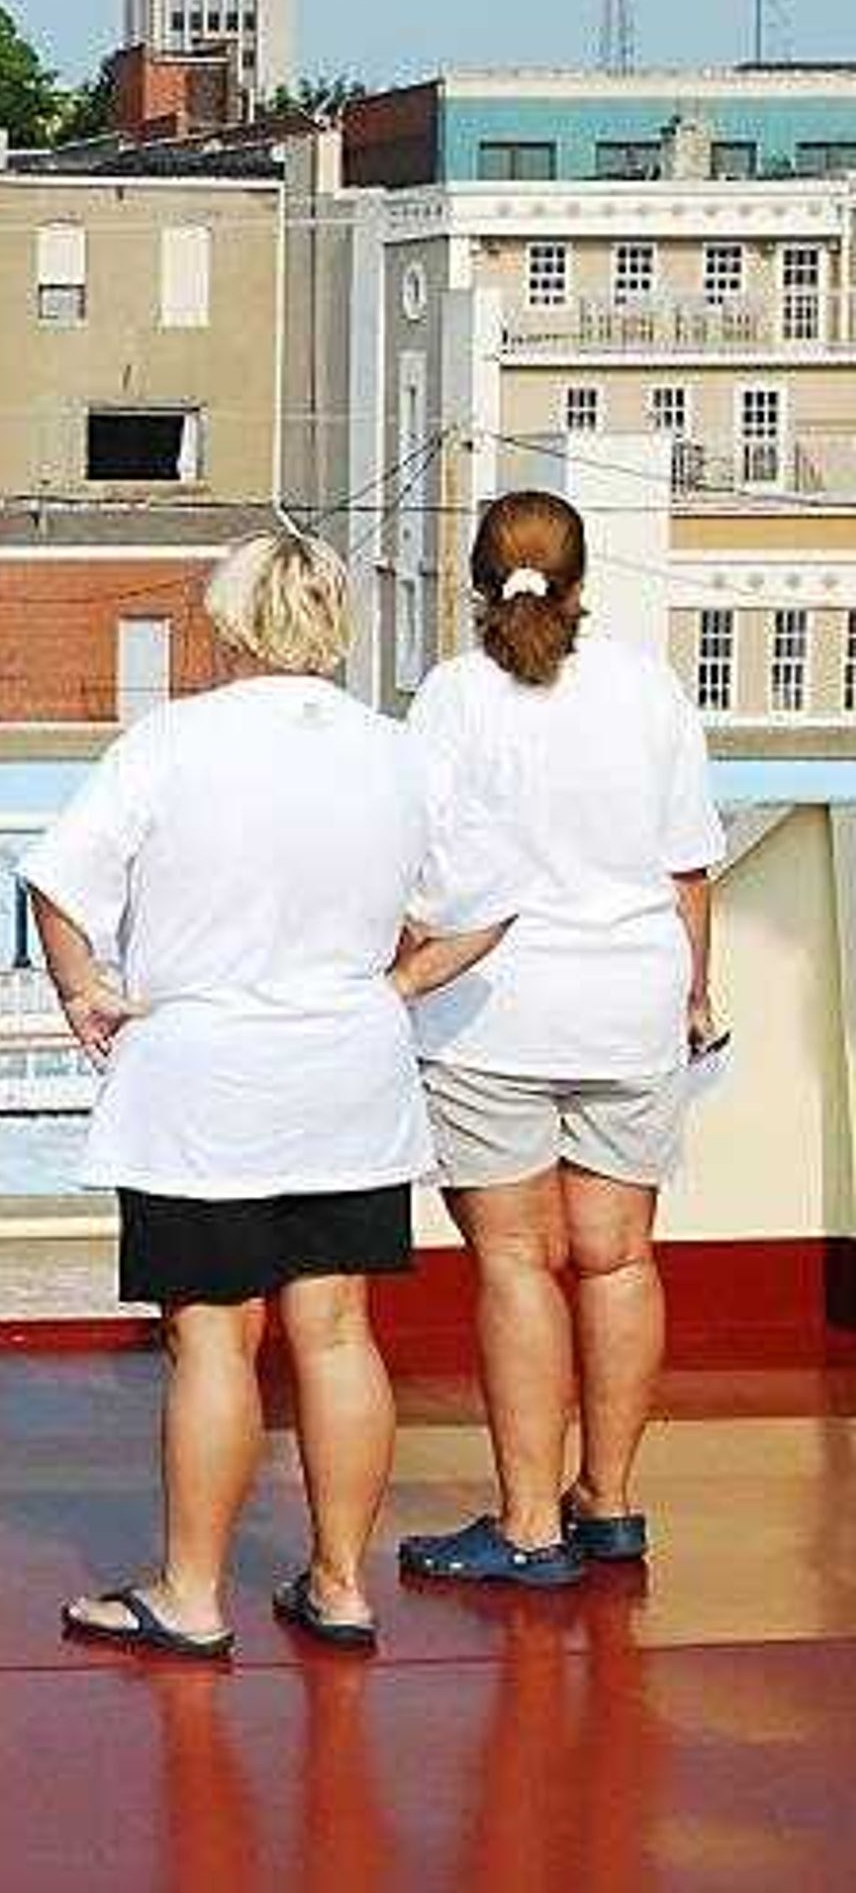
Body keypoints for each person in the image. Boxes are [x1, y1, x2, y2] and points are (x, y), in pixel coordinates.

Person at [22, 530, 514, 1658]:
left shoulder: (172, 744)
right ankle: (341, 1581)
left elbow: (60, 878)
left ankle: (192, 1593)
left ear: (227, 622)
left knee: (213, 1341)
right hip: (347, 1068)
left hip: (201, 1080)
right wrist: (397, 981)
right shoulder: (395, 753)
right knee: (336, 1331)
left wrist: (84, 987)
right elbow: (487, 900)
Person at [395, 491, 725, 1589]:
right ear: (584, 580)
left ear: (479, 578)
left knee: (516, 1258)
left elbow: (421, 870)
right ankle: (612, 1503)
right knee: (619, 1255)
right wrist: (695, 992)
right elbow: (688, 865)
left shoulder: (451, 696)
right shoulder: (648, 687)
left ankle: (529, 1521)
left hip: (494, 1009)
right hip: (632, 999)